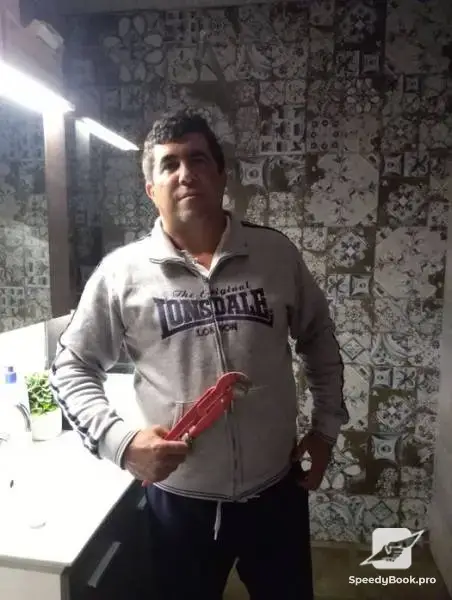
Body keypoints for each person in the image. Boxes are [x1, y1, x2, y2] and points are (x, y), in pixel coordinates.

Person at [50, 109, 349, 600]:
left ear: (222, 174)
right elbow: (71, 366)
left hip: (276, 494)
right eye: (169, 164)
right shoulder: (121, 274)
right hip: (179, 507)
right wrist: (121, 443)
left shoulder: (275, 255)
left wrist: (325, 431)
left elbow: (318, 337)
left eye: (198, 159)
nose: (185, 173)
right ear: (151, 189)